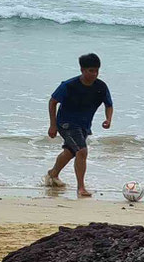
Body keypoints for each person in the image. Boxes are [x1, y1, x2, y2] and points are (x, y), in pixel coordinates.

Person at [44, 53, 115, 198]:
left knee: (70, 152)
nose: (94, 74)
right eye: (90, 71)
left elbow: (109, 104)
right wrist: (52, 125)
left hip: (84, 125)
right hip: (65, 123)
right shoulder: (69, 85)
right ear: (82, 70)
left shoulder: (101, 87)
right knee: (82, 151)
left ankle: (52, 174)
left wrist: (108, 119)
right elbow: (52, 102)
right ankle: (81, 188)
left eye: (96, 71)